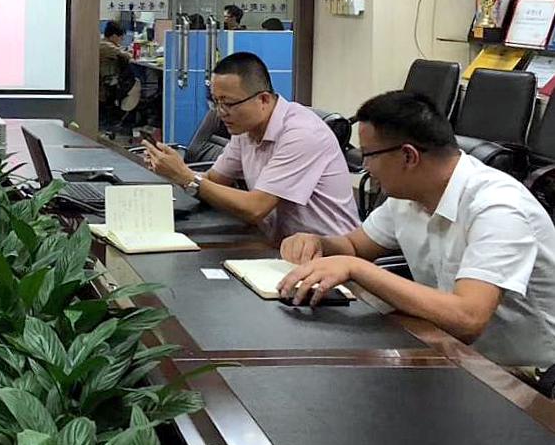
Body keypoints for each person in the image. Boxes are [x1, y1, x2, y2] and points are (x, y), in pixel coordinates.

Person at [279, 91, 555, 374]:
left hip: (525, 377)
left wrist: (356, 268)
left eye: (368, 155)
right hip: (450, 352)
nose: (364, 167)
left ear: (408, 156)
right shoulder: (409, 195)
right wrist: (318, 243)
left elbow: (468, 318)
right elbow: (354, 246)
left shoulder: (499, 207)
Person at [142, 52, 358, 240]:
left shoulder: (301, 134)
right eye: (216, 101)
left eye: (228, 103)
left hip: (328, 253)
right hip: (276, 243)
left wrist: (186, 176)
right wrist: (173, 171)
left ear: (263, 99)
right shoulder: (245, 129)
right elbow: (215, 180)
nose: (220, 112)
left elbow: (255, 208)